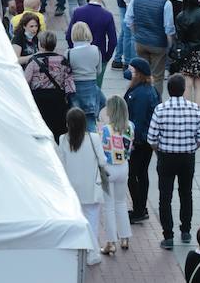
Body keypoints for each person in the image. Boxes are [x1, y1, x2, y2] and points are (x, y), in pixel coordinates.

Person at [147, 74, 200, 250]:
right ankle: (186, 231)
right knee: (186, 193)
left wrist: (159, 152)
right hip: (187, 156)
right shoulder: (195, 108)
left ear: (169, 90)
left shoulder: (161, 109)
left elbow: (152, 138)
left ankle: (168, 235)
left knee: (165, 196)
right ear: (183, 90)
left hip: (166, 157)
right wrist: (192, 147)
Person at [55, 108, 105, 266]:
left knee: (75, 222)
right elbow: (103, 162)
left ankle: (76, 251)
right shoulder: (94, 139)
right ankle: (92, 253)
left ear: (68, 123)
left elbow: (60, 165)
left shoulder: (63, 139)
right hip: (91, 188)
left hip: (72, 190)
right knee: (92, 222)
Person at [123, 57, 160, 225]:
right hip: (147, 140)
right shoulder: (149, 90)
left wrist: (132, 141)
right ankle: (141, 207)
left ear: (138, 73)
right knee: (142, 173)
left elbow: (136, 120)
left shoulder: (140, 94)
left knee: (132, 175)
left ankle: (139, 209)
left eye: (132, 70)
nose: (129, 72)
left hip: (139, 141)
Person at [97, 96, 133, 254]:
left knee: (109, 206)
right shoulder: (130, 127)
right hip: (124, 167)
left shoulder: (105, 129)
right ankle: (125, 237)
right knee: (121, 203)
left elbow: (101, 150)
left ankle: (111, 242)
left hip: (109, 169)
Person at [173, 0, 200, 108]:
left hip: (187, 51)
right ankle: (197, 108)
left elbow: (180, 38)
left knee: (188, 82)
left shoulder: (181, 16)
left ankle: (186, 107)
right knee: (199, 83)